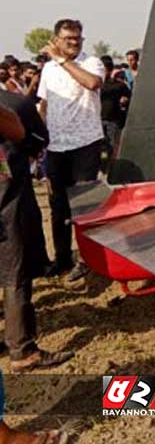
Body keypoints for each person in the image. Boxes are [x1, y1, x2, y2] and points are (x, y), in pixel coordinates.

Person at [0, 89, 73, 375]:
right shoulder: (13, 104)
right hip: (8, 202)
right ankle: (23, 350)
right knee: (15, 276)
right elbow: (34, 141)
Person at [36, 19, 105, 282]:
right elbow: (45, 104)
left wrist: (64, 61)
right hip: (56, 146)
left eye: (77, 38)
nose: (74, 43)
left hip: (85, 144)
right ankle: (63, 259)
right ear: (56, 40)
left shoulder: (91, 62)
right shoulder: (49, 70)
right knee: (58, 206)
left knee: (85, 205)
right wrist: (40, 138)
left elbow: (91, 84)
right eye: (68, 39)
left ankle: (87, 259)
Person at [99, 56, 131, 171]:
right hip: (96, 121)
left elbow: (129, 96)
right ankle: (102, 165)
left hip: (113, 120)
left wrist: (125, 99)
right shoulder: (94, 85)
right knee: (100, 147)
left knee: (112, 145)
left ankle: (110, 167)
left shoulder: (119, 85)